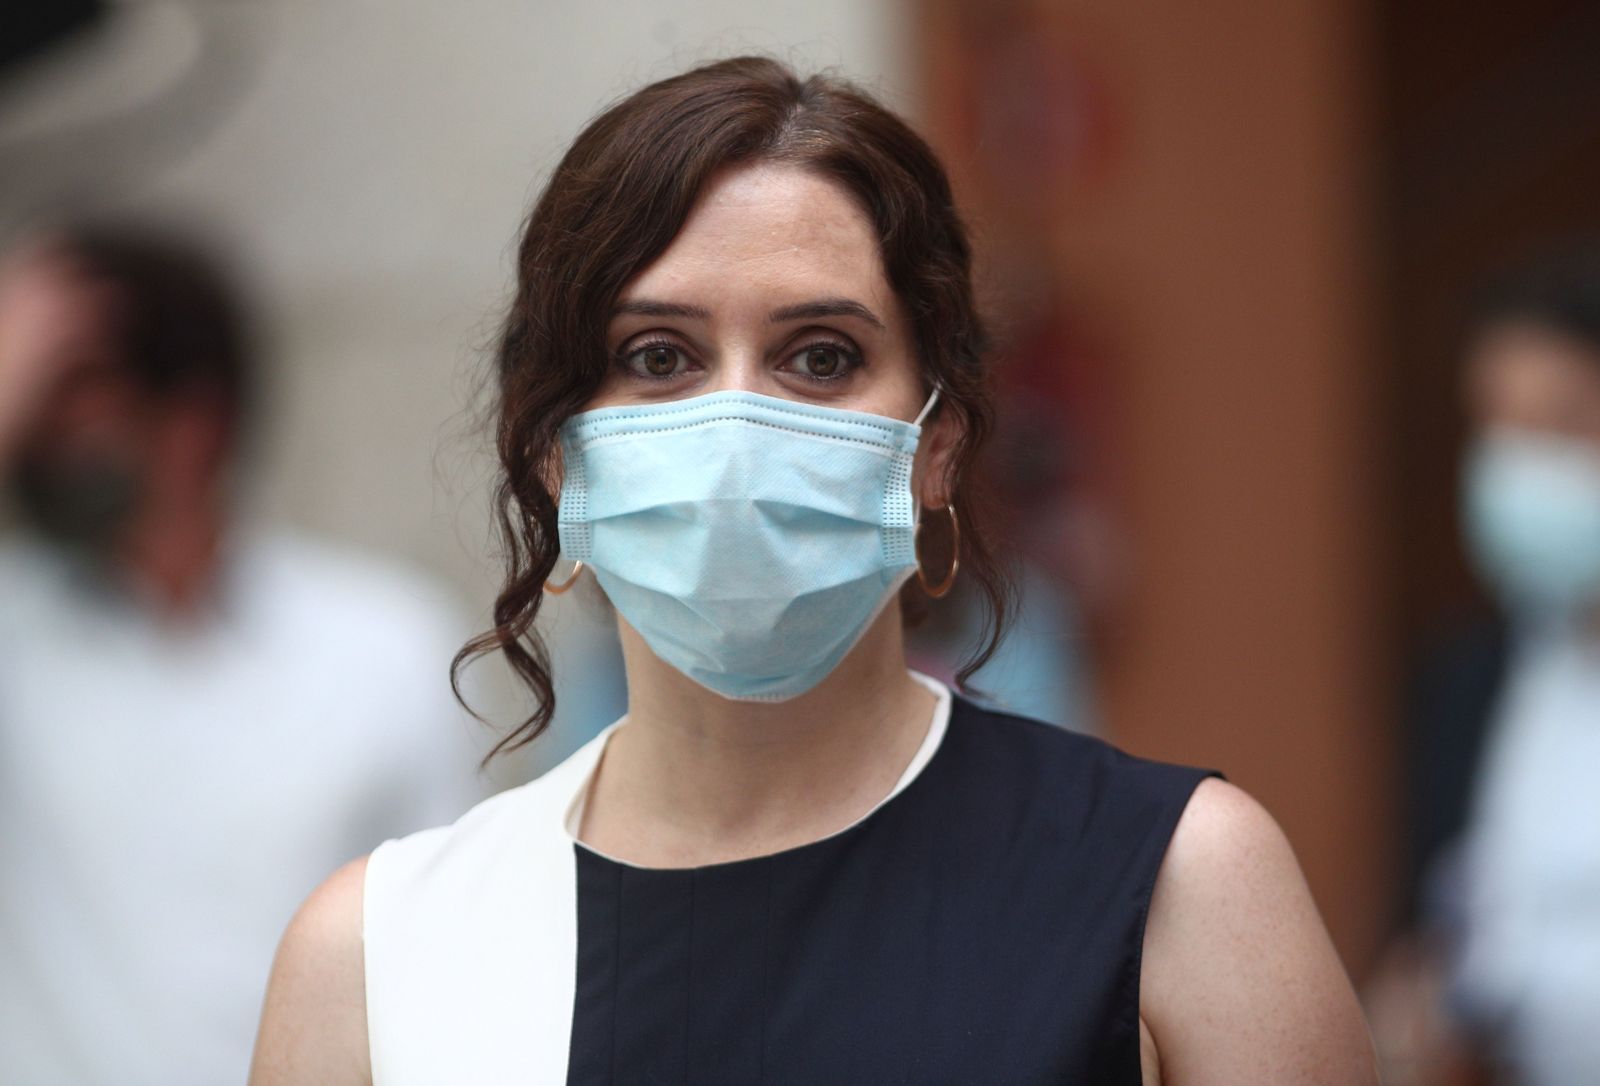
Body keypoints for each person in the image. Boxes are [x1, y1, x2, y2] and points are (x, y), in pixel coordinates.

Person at [251, 57, 1377, 1084]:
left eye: (822, 356)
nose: (736, 428)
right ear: (555, 451)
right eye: (659, 356)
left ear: (936, 446)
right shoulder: (379, 956)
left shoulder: (1180, 883)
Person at [0, 225, 489, 1085]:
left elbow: (453, 950)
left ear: (194, 419)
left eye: (73, 386)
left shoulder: (386, 643)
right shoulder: (14, 629)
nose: (46, 428)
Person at [1398, 242, 1600, 1085]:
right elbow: (1430, 934)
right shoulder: (1470, 680)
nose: (1520, 468)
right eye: (1495, 426)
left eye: (1560, 424)